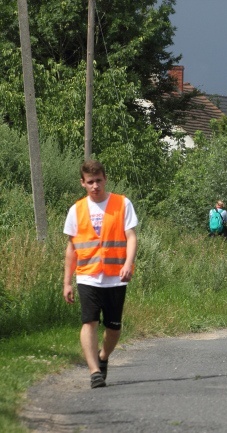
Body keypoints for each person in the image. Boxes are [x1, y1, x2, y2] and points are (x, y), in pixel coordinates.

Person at [63, 160, 138, 389]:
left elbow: (131, 236)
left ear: (105, 179)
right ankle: (94, 371)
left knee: (114, 328)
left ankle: (103, 357)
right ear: (83, 183)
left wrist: (128, 263)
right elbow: (71, 248)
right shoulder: (76, 210)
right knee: (90, 321)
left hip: (116, 276)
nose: (95, 186)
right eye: (90, 182)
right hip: (87, 276)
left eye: (98, 181)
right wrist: (67, 282)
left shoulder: (122, 203)